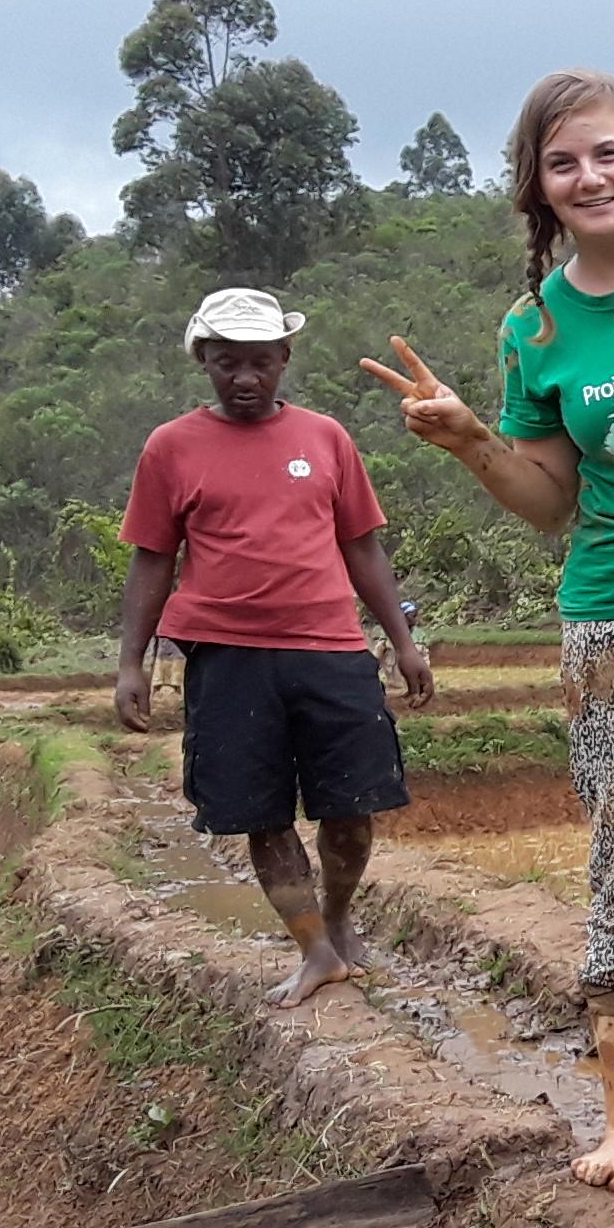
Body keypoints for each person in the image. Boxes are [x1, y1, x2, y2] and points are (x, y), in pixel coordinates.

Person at [363, 72, 614, 1192]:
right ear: (539, 187)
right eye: (563, 164)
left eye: (606, 154)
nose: (591, 178)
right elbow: (551, 501)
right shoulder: (536, 329)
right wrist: (474, 438)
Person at [119, 286, 433, 1006]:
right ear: (204, 362)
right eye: (227, 363)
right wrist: (131, 660)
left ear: (284, 359)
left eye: (260, 363)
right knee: (260, 813)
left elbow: (362, 547)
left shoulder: (325, 439)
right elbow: (151, 559)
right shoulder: (170, 448)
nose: (245, 379)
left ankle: (341, 919)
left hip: (329, 646)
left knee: (353, 805)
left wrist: (403, 642)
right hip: (227, 658)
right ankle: (314, 949)